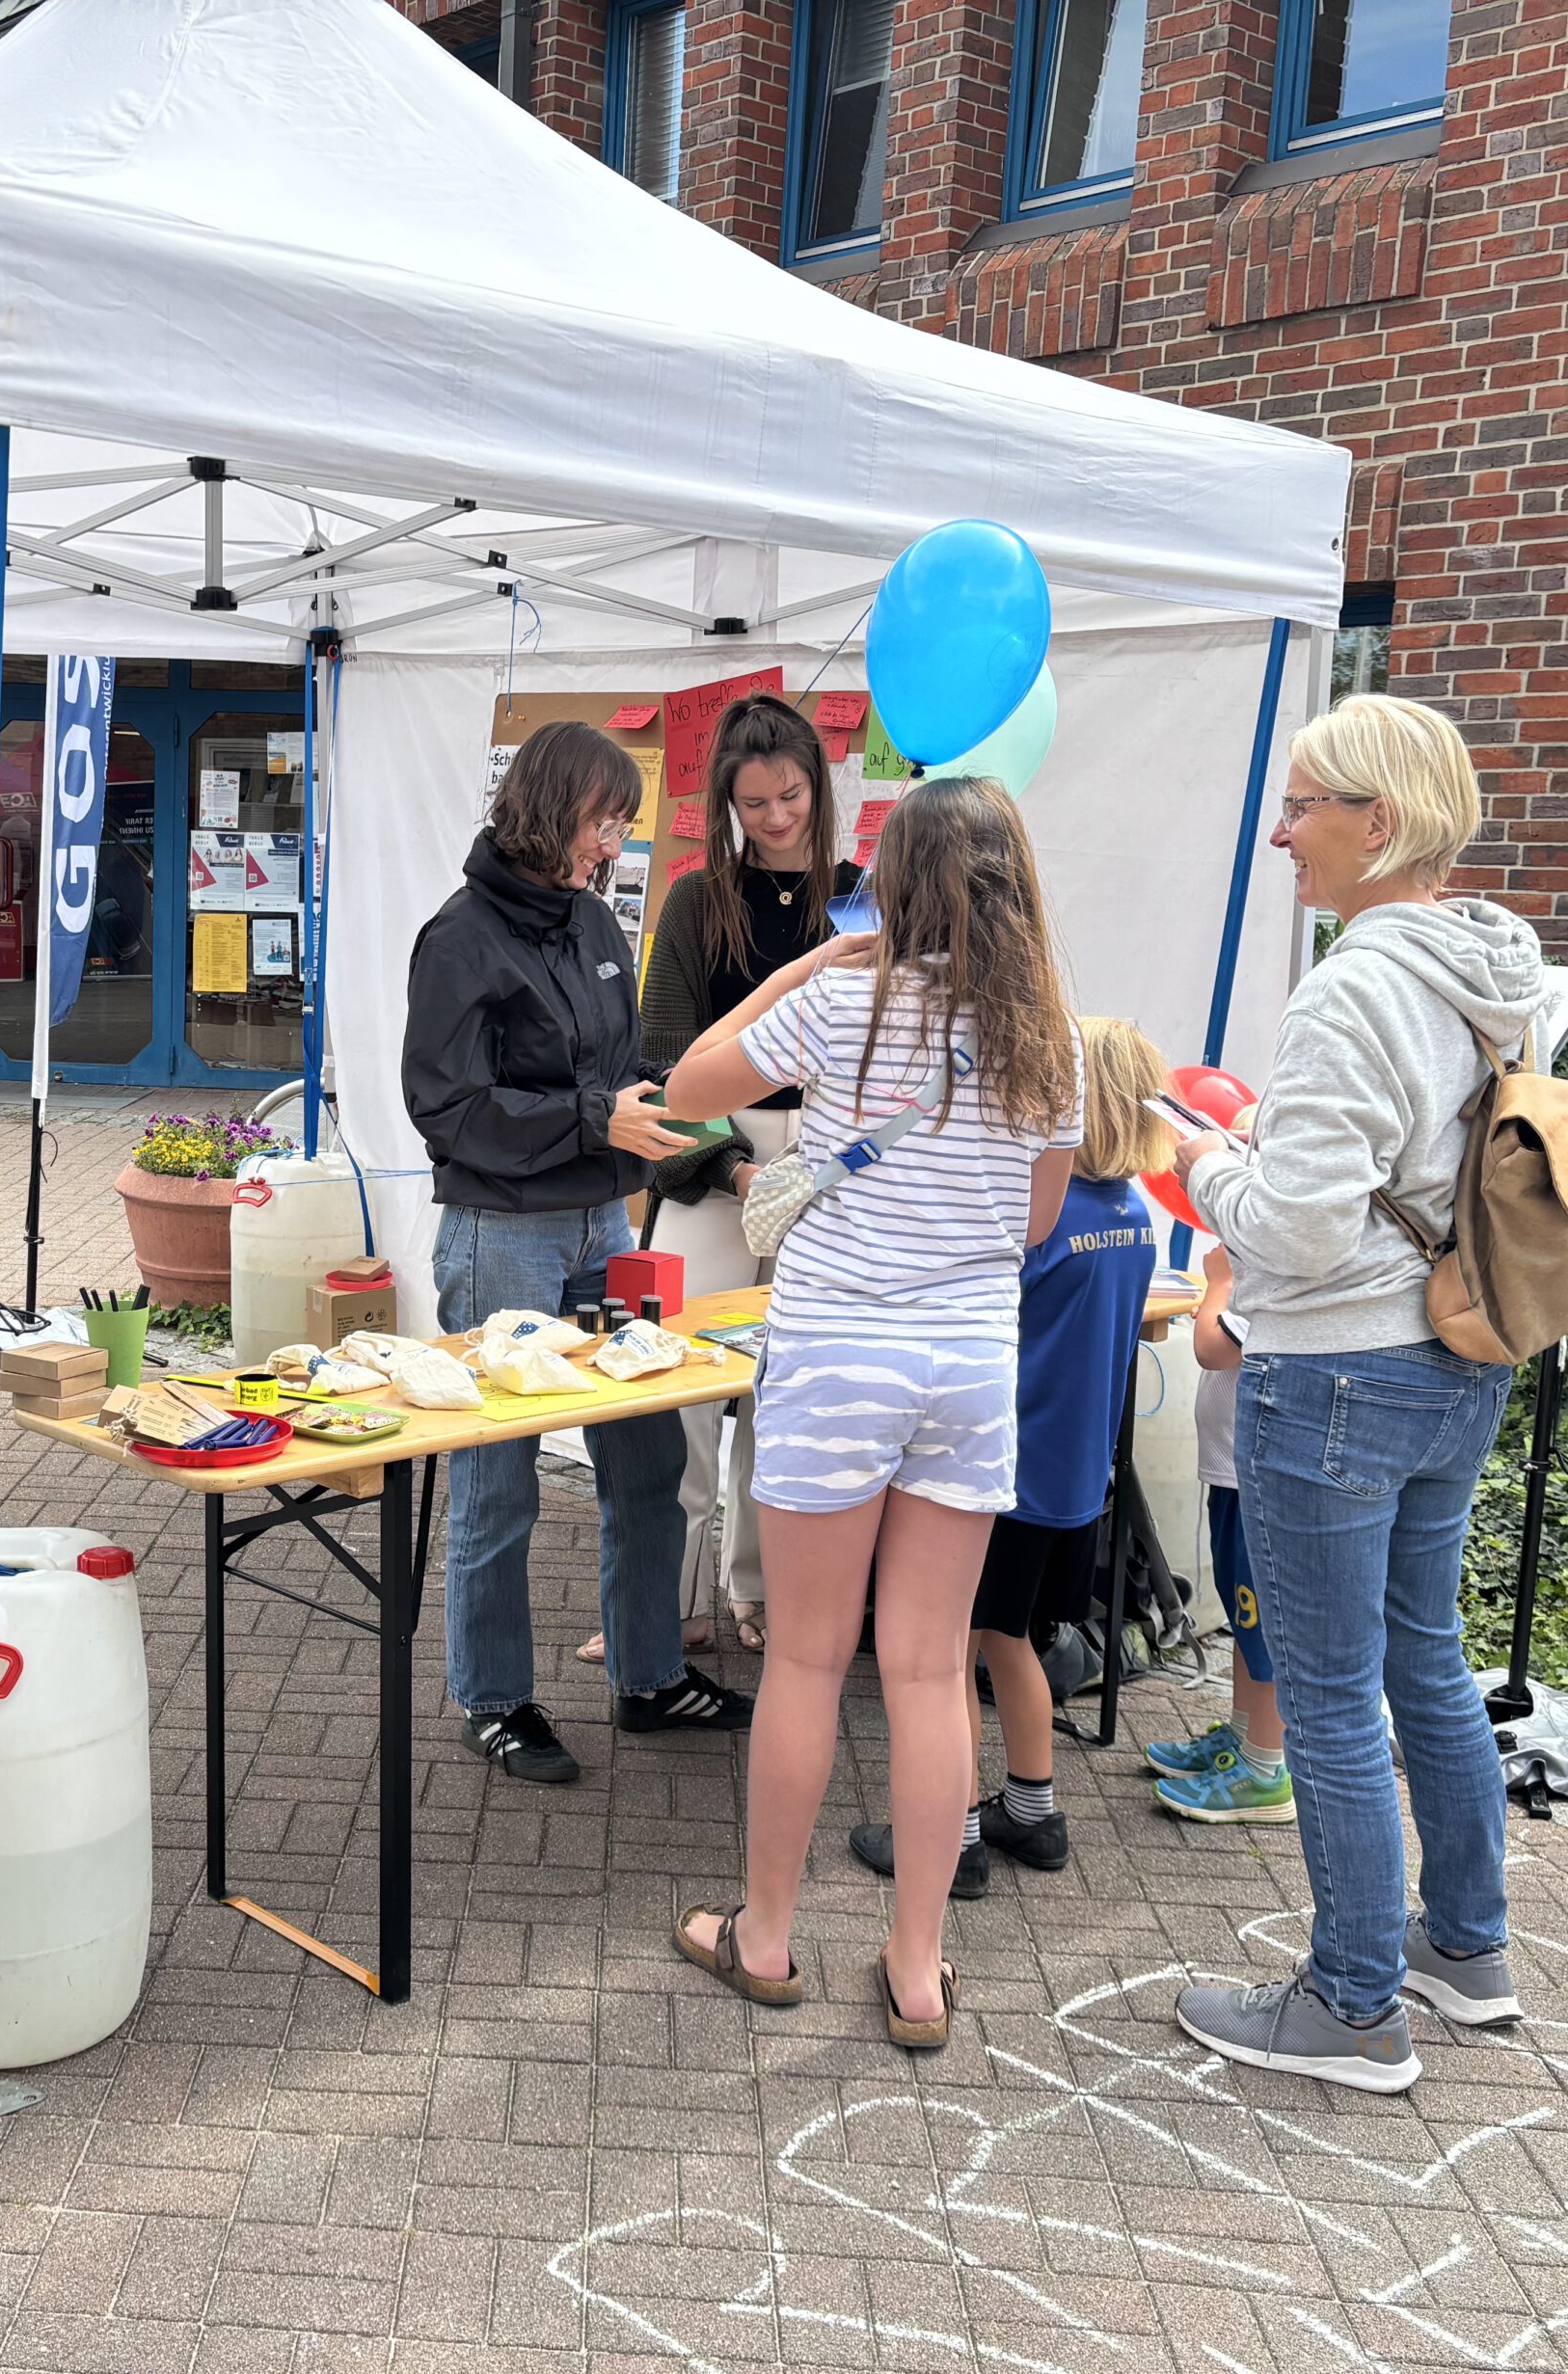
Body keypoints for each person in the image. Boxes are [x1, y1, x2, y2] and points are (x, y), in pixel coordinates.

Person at [663, 776, 1081, 2045]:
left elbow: (685, 1085)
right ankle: (915, 1969)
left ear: (890, 887)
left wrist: (804, 973)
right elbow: (1037, 1224)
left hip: (838, 1353)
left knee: (802, 1655)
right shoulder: (1047, 1036)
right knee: (923, 1666)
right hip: (964, 1367)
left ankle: (769, 1936)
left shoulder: (841, 1004)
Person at [1171, 692, 1542, 2093]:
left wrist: (1198, 1153)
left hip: (1333, 1371)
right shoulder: (1493, 970)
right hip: (1459, 1352)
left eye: (1306, 805)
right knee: (1423, 1655)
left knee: (1327, 1699)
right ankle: (1469, 1948)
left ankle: (1352, 2006)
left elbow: (1303, 1232)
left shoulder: (1350, 987)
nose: (1283, 835)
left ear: (1377, 823)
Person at [401, 721, 754, 1785]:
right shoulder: (457, 938)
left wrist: (704, 1128)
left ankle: (648, 1676)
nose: (612, 845)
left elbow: (623, 1070)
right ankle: (494, 1697)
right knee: (498, 1479)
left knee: (647, 1460)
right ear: (553, 812)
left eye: (620, 827)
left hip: (608, 1230)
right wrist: (592, 1122)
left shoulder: (597, 923)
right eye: (605, 823)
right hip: (500, 1238)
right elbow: (447, 1110)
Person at [848, 1015, 1165, 1892]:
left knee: (945, 1651)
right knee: (1009, 1639)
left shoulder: (1043, 1220)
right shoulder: (1134, 1216)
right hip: (1075, 1478)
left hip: (999, 1474)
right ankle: (1033, 1812)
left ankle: (949, 1843)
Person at [634, 692, 861, 1659]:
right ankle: (668, 1599)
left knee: (792, 1396)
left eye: (792, 796)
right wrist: (732, 1169)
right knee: (676, 1389)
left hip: (830, 1166)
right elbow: (660, 1060)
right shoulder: (695, 898)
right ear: (727, 800)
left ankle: (763, 1590)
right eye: (755, 801)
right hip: (712, 1164)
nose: (775, 818)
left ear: (818, 787)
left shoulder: (856, 895)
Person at [1147, 1230, 1292, 1821]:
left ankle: (1265, 1769)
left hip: (1255, 1473)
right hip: (1233, 1474)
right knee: (1243, 1614)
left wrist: (1221, 1282)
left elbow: (1212, 1347)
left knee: (1263, 1627)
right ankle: (1241, 1739)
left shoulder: (1281, 1267)